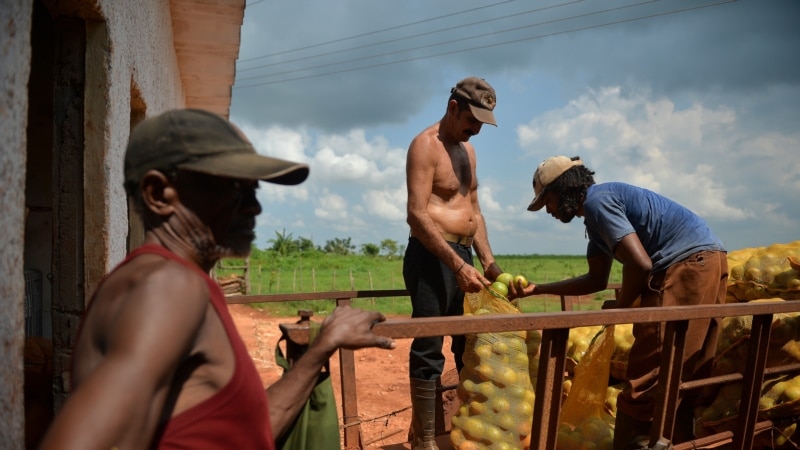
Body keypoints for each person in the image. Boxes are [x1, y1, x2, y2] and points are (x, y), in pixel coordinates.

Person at [39, 108, 396, 450]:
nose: (254, 207)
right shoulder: (168, 285)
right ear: (159, 193)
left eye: (253, 190)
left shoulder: (170, 281)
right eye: (232, 188)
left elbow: (248, 431)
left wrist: (322, 346)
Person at [509, 155, 727, 449]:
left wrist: (623, 307)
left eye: (547, 201)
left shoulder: (599, 203)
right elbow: (595, 281)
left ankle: (637, 442)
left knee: (650, 376)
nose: (547, 210)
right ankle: (679, 441)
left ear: (564, 189)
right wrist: (538, 289)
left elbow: (640, 264)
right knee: (685, 371)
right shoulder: (597, 222)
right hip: (710, 260)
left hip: (686, 266)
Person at [403, 77, 504, 449]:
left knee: (468, 344)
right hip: (431, 256)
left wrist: (488, 263)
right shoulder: (425, 146)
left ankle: (469, 432)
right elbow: (416, 214)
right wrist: (456, 266)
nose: (476, 129)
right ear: (452, 108)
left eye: (482, 122)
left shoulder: (468, 152)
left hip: (464, 255)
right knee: (430, 345)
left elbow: (473, 209)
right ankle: (426, 441)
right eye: (472, 120)